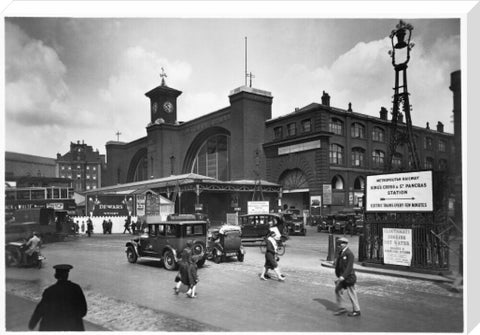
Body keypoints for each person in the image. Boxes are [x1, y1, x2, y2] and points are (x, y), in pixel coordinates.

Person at [28, 264, 87, 331]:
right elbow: (83, 310)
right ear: (67, 275)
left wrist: (32, 324)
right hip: (73, 327)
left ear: (56, 275)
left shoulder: (49, 291)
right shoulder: (76, 288)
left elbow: (40, 309)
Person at [333, 237, 361, 317]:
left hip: (349, 277)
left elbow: (349, 267)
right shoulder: (341, 252)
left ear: (346, 244)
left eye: (341, 243)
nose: (339, 245)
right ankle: (342, 308)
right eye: (339, 243)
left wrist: (343, 277)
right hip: (342, 277)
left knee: (351, 293)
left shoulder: (349, 254)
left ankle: (357, 310)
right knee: (338, 290)